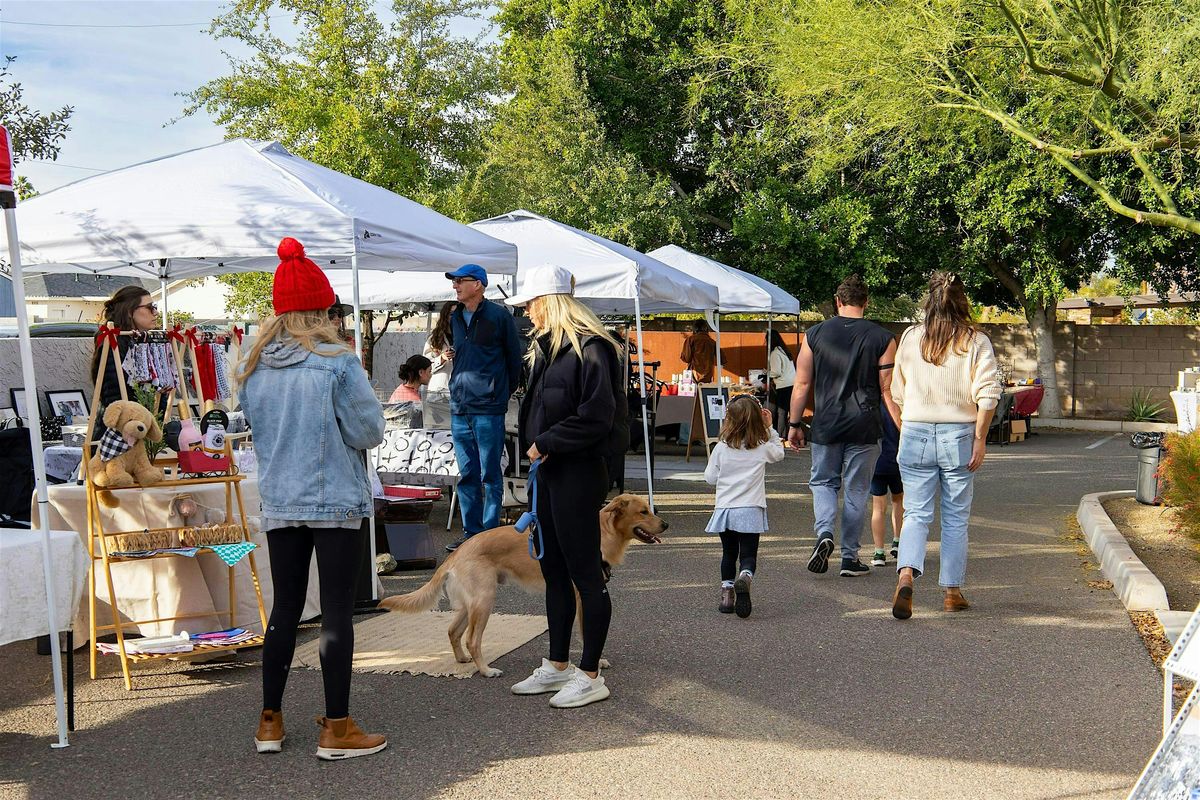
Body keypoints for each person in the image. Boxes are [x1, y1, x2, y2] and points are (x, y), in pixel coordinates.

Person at [238, 237, 387, 760]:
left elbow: (254, 429)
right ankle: (337, 728)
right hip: (334, 499)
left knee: (284, 609)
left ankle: (270, 722)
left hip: (280, 499)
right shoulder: (337, 363)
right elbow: (369, 431)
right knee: (336, 614)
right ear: (321, 309)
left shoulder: (253, 367)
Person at [507, 264, 625, 708]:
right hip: (552, 471)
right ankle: (557, 665)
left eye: (531, 303)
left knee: (585, 575)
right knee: (554, 570)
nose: (528, 312)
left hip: (577, 471)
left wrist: (546, 443)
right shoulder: (549, 348)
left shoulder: (593, 349)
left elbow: (599, 417)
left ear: (548, 301)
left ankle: (590, 672)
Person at [889, 273, 1000, 620]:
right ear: (961, 303)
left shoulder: (909, 338)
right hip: (959, 433)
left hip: (915, 431)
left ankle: (906, 573)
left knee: (915, 513)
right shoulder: (976, 341)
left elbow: (896, 392)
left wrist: (908, 426)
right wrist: (980, 439)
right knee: (955, 518)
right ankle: (952, 591)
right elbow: (989, 394)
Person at [788, 275, 899, 578]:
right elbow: (887, 387)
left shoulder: (814, 334)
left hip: (826, 423)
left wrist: (794, 424)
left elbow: (802, 382)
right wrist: (902, 426)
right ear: (867, 302)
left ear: (837, 301)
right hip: (866, 425)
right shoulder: (884, 338)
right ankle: (849, 558)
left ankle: (824, 533)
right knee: (857, 491)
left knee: (823, 483)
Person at [444, 264, 523, 552]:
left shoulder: (499, 316)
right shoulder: (455, 317)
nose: (455, 286)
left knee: (490, 473)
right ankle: (471, 533)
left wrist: (501, 391)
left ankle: (488, 535)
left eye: (460, 281)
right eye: (454, 281)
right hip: (460, 405)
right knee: (466, 474)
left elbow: (515, 359)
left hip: (488, 405)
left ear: (478, 284)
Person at [703, 394, 785, 618]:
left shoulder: (720, 448)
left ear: (728, 419)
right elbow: (779, 453)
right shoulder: (761, 447)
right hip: (751, 508)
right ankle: (745, 577)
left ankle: (727, 595)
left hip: (726, 510)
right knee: (748, 554)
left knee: (728, 553)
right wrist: (770, 430)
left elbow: (710, 478)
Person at [90, 285, 158, 409]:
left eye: (155, 307)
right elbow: (113, 396)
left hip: (144, 419)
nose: (156, 312)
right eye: (149, 308)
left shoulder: (143, 340)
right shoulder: (114, 342)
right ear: (129, 311)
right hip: (124, 422)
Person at [869, 408, 903, 566]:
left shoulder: (872, 405)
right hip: (898, 460)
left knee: (878, 508)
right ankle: (898, 542)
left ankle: (879, 552)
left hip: (876, 463)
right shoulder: (899, 403)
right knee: (899, 501)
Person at [766, 329, 796, 436]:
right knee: (786, 412)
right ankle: (784, 435)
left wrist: (766, 374)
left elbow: (776, 372)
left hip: (783, 386)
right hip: (792, 384)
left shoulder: (775, 353)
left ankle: (779, 436)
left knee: (781, 413)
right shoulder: (784, 351)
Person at [423, 301, 457, 393]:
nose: (454, 317)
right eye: (451, 314)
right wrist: (442, 358)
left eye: (457, 314)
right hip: (439, 390)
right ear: (445, 316)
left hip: (461, 390)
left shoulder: (468, 337)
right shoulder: (434, 338)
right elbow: (425, 368)